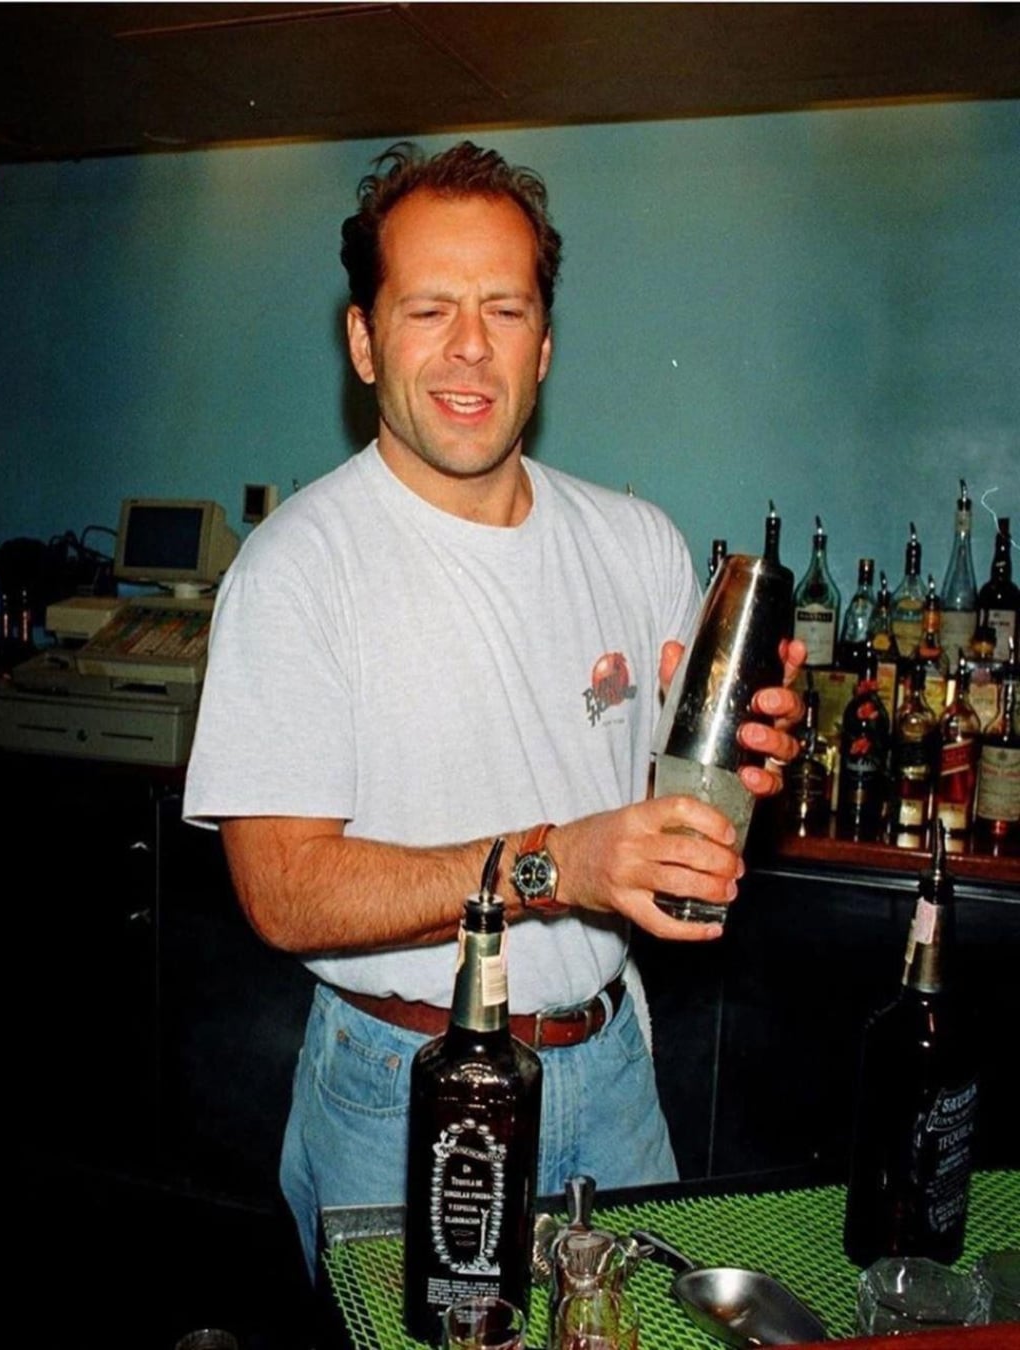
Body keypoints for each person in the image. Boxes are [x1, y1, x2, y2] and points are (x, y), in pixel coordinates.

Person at [183, 141, 804, 1276]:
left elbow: (685, 810)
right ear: (364, 342)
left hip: (612, 1074)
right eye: (429, 309)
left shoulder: (638, 544)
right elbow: (282, 890)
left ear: (545, 344)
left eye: (505, 310)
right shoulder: (296, 570)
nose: (470, 346)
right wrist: (556, 864)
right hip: (401, 1092)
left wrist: (749, 755)